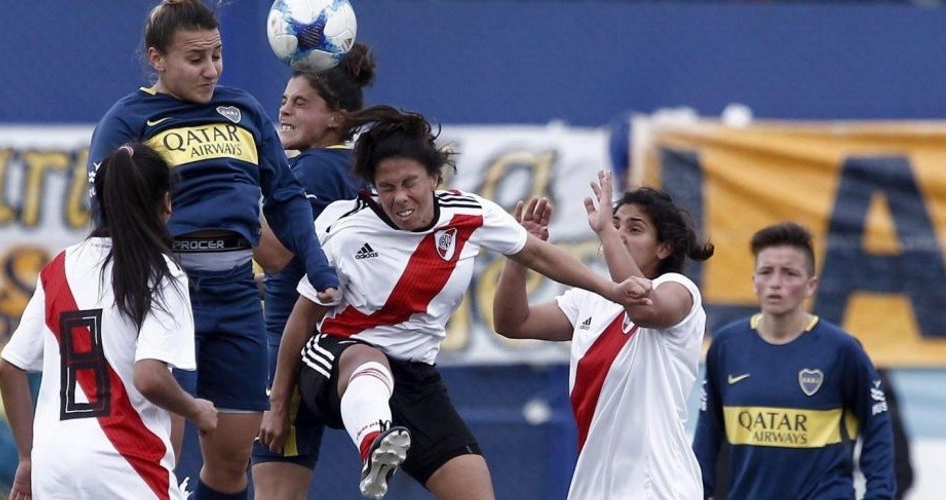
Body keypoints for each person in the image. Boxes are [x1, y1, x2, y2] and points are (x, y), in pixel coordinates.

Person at [257, 106, 650, 500]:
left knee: (474, 489)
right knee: (366, 361)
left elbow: (540, 255)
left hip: (414, 377)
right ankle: (375, 445)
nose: (400, 198)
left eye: (409, 183)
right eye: (387, 187)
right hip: (333, 361)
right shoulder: (348, 232)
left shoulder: (470, 215)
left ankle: (383, 440)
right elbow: (301, 318)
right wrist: (278, 406)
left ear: (434, 178)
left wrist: (611, 290)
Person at [84, 1, 338, 498]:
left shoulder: (242, 109)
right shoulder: (128, 120)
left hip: (238, 295)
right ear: (157, 58)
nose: (211, 69)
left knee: (231, 462)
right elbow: (106, 216)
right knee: (159, 456)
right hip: (165, 292)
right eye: (195, 58)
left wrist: (319, 265)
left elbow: (285, 196)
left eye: (218, 55)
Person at [0, 143, 218, 499]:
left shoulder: (60, 268)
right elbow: (150, 378)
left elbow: (9, 368)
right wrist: (197, 410)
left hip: (54, 468)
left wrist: (27, 458)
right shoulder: (161, 273)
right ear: (166, 202)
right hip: (126, 463)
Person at [492, 171, 714, 499]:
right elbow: (512, 323)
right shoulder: (590, 299)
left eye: (634, 229)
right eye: (616, 225)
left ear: (664, 248)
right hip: (592, 489)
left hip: (658, 487)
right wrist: (521, 254)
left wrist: (606, 229)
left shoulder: (679, 291)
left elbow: (641, 307)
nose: (619, 235)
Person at [250, 42, 375, 500]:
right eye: (284, 100)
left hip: (292, 345)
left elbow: (279, 253)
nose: (284, 110)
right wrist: (264, 284)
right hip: (328, 340)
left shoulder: (316, 170)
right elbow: (311, 260)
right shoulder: (345, 164)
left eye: (301, 103)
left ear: (335, 118)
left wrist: (227, 199)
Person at [692, 222, 896, 499]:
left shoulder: (841, 349)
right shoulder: (727, 346)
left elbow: (878, 428)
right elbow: (707, 437)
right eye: (766, 272)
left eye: (789, 273)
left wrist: (879, 495)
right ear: (754, 281)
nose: (776, 283)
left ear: (811, 285)